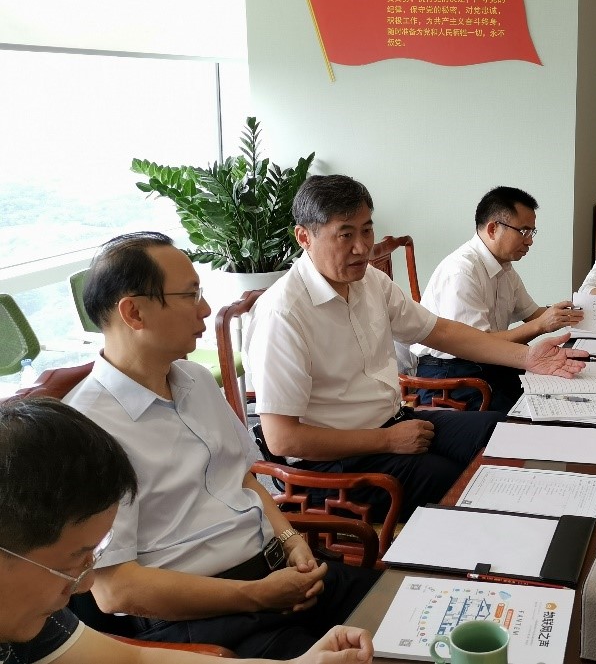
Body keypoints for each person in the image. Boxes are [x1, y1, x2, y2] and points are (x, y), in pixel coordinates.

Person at [64, 232, 378, 659]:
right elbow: (115, 590)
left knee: (406, 604)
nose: (206, 309)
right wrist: (256, 596)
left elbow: (243, 478)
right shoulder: (86, 431)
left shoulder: (194, 379)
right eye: (190, 295)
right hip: (206, 618)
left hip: (279, 576)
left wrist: (291, 541)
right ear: (134, 312)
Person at [245, 175, 586, 522]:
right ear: (304, 237)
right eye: (345, 235)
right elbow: (283, 439)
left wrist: (528, 357)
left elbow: (441, 331)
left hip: (395, 422)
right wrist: (386, 441)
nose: (362, 247)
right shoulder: (283, 313)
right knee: (466, 480)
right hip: (335, 464)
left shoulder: (370, 281)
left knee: (507, 432)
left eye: (367, 230)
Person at [0, 399, 374, 664]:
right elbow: (116, 598)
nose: (85, 585)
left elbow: (135, 659)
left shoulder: (41, 626)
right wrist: (257, 596)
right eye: (72, 563)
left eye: (92, 556)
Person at [411, 186, 583, 412]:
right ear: (493, 229)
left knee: (559, 388)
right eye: (523, 231)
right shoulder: (461, 272)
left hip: (486, 363)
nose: (529, 241)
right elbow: (477, 345)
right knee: (527, 410)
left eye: (532, 232)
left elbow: (532, 314)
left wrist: (578, 315)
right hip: (450, 373)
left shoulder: (504, 267)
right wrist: (541, 325)